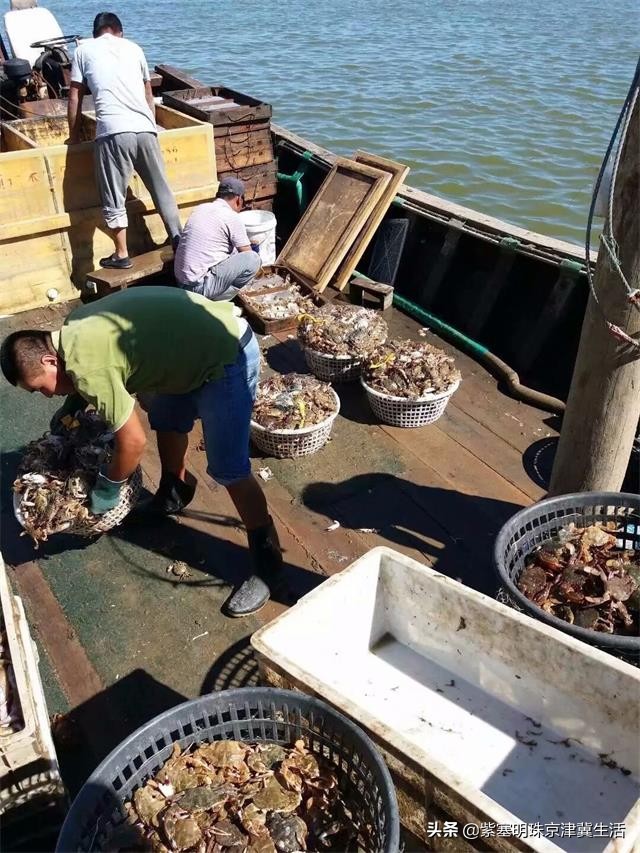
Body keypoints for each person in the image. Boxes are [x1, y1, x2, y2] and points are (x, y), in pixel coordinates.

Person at [0, 287, 283, 617]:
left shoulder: (86, 368)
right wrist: (74, 400)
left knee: (228, 468)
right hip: (189, 349)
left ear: (51, 361)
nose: (46, 396)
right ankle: (175, 491)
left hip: (225, 354)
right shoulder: (72, 327)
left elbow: (133, 443)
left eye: (40, 388)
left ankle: (269, 565)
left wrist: (107, 487)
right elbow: (109, 363)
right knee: (166, 418)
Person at [67, 12, 181, 270]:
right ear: (119, 31)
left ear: (97, 32)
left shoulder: (83, 51)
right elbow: (148, 93)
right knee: (160, 187)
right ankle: (177, 238)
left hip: (113, 131)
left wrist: (73, 137)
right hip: (145, 128)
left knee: (113, 194)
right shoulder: (135, 48)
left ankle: (121, 254)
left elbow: (75, 96)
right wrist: (150, 126)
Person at [174, 177, 261, 301]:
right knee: (253, 260)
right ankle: (217, 301)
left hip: (181, 282)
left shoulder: (200, 208)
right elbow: (247, 253)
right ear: (238, 199)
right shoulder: (231, 217)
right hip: (198, 288)